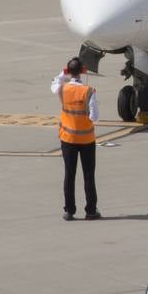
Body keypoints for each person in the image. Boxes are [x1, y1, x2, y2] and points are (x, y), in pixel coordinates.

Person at [52, 57, 101, 221]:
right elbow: (94, 117)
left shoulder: (62, 89)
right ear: (82, 71)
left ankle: (69, 210)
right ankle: (91, 210)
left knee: (69, 174)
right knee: (88, 175)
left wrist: (64, 72)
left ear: (68, 71)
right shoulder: (88, 91)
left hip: (68, 139)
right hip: (86, 139)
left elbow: (55, 83)